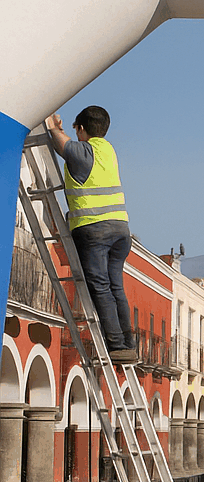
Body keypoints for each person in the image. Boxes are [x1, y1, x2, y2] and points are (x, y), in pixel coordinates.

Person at [45, 107, 136, 363]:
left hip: (95, 230)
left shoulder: (83, 152)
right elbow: (70, 147)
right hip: (120, 229)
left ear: (82, 129)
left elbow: (65, 148)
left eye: (77, 130)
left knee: (100, 286)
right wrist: (61, 131)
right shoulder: (106, 150)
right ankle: (128, 343)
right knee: (115, 285)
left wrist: (53, 127)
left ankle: (117, 345)